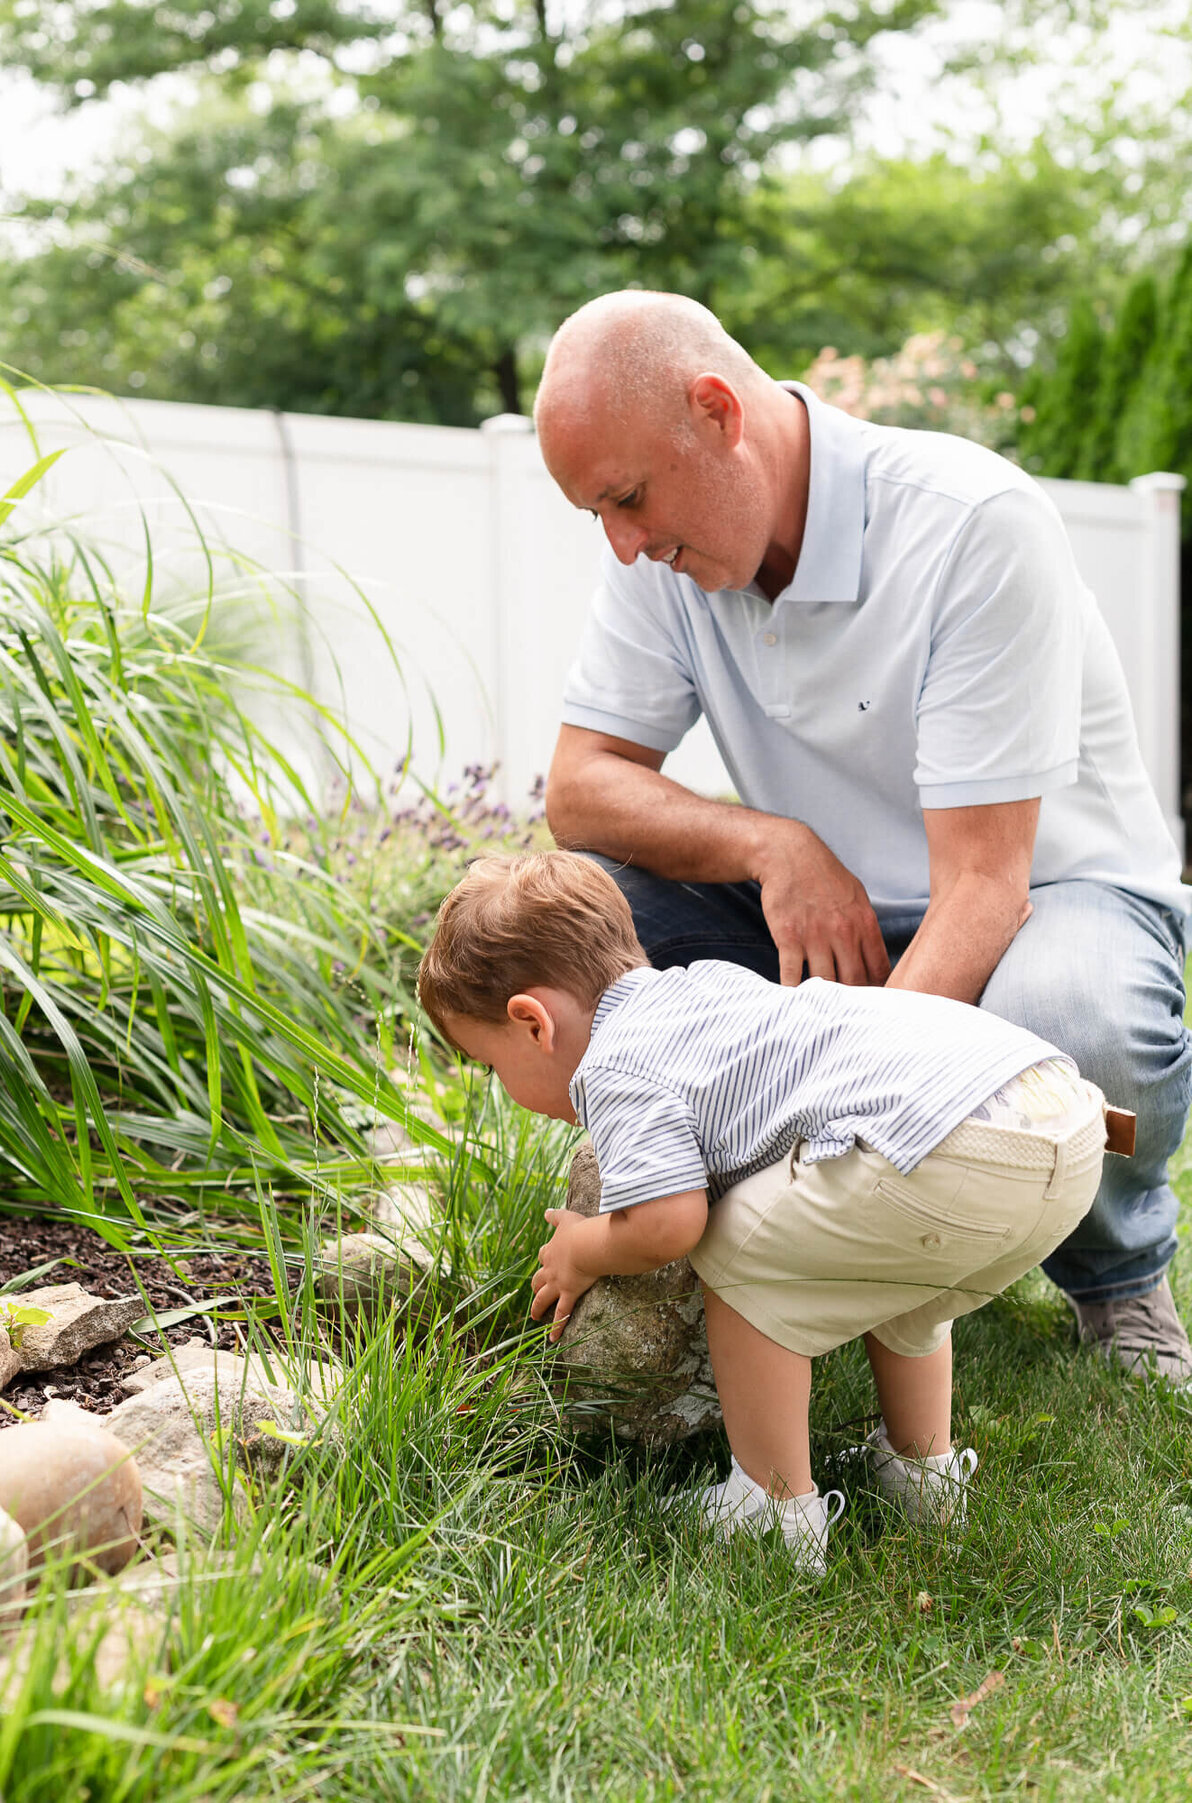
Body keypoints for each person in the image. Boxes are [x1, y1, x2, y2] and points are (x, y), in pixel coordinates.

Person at [533, 289, 1192, 1385]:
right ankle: (673, 1184)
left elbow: (985, 887)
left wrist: (831, 1113)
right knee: (593, 919)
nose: (626, 543)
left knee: (1073, 1019)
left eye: (630, 499)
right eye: (599, 515)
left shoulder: (972, 522)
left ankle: (1117, 1276)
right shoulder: (662, 554)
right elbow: (581, 788)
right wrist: (772, 846)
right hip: (826, 925)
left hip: (1050, 901)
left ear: (716, 411)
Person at [417, 851, 1109, 1572]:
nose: (501, 1085)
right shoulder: (706, 986)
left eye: (491, 1065)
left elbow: (668, 1222)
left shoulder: (615, 1063)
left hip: (952, 1147)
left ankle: (773, 1508)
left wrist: (584, 1247)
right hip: (1056, 1117)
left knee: (738, 1247)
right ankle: (920, 1476)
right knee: (894, 1273)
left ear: (533, 1022)